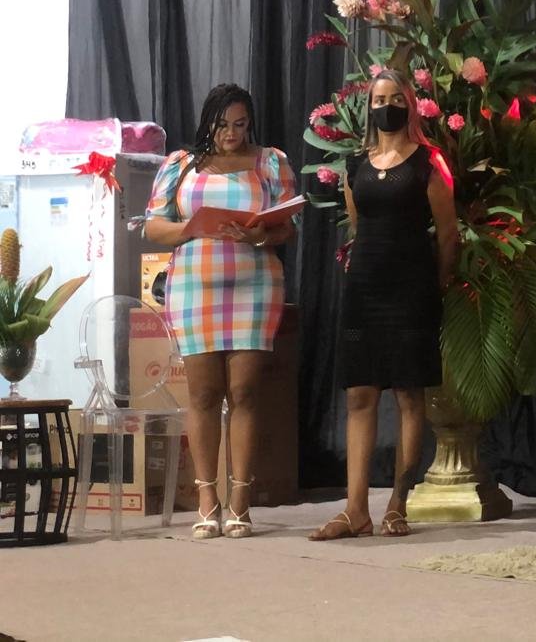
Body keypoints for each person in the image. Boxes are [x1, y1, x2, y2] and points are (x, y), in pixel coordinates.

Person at [311, 69, 460, 540]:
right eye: (379, 99)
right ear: (368, 107)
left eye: (396, 98)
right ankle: (355, 509)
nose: (387, 106)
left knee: (409, 394)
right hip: (365, 289)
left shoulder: (428, 163)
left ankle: (398, 504)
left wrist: (437, 283)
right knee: (360, 393)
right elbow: (359, 226)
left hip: (412, 290)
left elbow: (449, 234)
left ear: (410, 105)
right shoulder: (356, 165)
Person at [144, 84, 298, 539]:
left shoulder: (270, 162)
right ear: (207, 122)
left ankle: (241, 502)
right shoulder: (180, 164)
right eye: (222, 124)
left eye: (240, 124)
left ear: (250, 124)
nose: (231, 133)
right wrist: (192, 227)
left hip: (254, 285)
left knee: (245, 391)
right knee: (204, 394)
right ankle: (207, 500)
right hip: (195, 288)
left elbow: (286, 226)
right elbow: (154, 226)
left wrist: (259, 235)